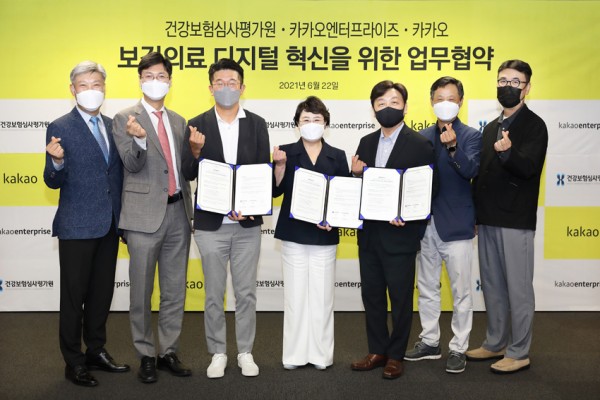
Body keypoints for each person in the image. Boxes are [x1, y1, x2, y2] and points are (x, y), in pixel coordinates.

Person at [182, 58, 270, 378]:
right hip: (210, 226)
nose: (226, 88)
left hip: (246, 225)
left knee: (246, 293)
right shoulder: (196, 124)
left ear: (242, 87)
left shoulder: (257, 124)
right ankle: (218, 351)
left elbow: (261, 173)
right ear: (210, 88)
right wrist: (194, 151)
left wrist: (251, 205)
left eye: (232, 83)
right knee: (213, 293)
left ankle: (245, 351)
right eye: (219, 83)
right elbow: (187, 173)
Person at [44, 60, 129, 387]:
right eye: (84, 85)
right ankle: (73, 361)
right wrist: (56, 161)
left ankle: (96, 350)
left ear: (104, 88)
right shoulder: (60, 126)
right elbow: (52, 181)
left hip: (109, 224)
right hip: (77, 225)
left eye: (96, 84)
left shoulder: (113, 124)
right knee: (73, 297)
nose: (91, 90)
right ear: (73, 89)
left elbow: (116, 174)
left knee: (101, 294)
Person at [112, 52, 193, 383]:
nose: (155, 82)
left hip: (178, 212)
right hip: (142, 217)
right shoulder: (124, 118)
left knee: (174, 290)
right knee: (141, 292)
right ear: (140, 80)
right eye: (149, 76)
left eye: (161, 76)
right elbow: (131, 165)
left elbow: (183, 169)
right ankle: (146, 354)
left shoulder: (178, 120)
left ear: (170, 81)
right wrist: (140, 140)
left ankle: (169, 351)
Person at [350, 80, 436, 379]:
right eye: (381, 103)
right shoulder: (366, 142)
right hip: (370, 235)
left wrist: (410, 217)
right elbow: (358, 188)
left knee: (400, 299)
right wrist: (355, 174)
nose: (388, 108)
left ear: (405, 107)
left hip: (401, 235)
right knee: (372, 296)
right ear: (373, 108)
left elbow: (428, 190)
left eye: (394, 102)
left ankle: (396, 355)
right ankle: (377, 350)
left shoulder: (421, 144)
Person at [466, 60, 548, 374]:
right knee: (493, 285)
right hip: (487, 218)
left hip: (515, 219)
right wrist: (475, 214)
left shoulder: (534, 125)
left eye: (515, 82)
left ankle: (519, 351)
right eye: (503, 80)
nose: (508, 86)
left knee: (518, 288)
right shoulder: (490, 127)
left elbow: (529, 168)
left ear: (527, 88)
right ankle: (495, 342)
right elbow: (481, 175)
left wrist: (509, 152)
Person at [404, 77, 481, 374]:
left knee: (461, 291)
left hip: (457, 224)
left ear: (460, 101)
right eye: (439, 98)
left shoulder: (471, 136)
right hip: (425, 225)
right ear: (431, 102)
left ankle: (459, 347)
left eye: (451, 98)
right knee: (426, 287)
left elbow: (471, 170)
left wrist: (453, 149)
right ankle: (430, 341)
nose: (445, 103)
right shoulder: (421, 137)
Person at [272, 96, 349, 371]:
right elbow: (275, 191)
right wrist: (279, 166)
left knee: (322, 297)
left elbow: (343, 197)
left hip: (324, 236)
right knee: (295, 297)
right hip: (294, 234)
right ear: (297, 124)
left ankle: (321, 355)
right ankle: (294, 355)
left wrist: (334, 219)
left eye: (317, 119)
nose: (312, 123)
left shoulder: (337, 155)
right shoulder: (284, 152)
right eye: (306, 119)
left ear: (325, 123)